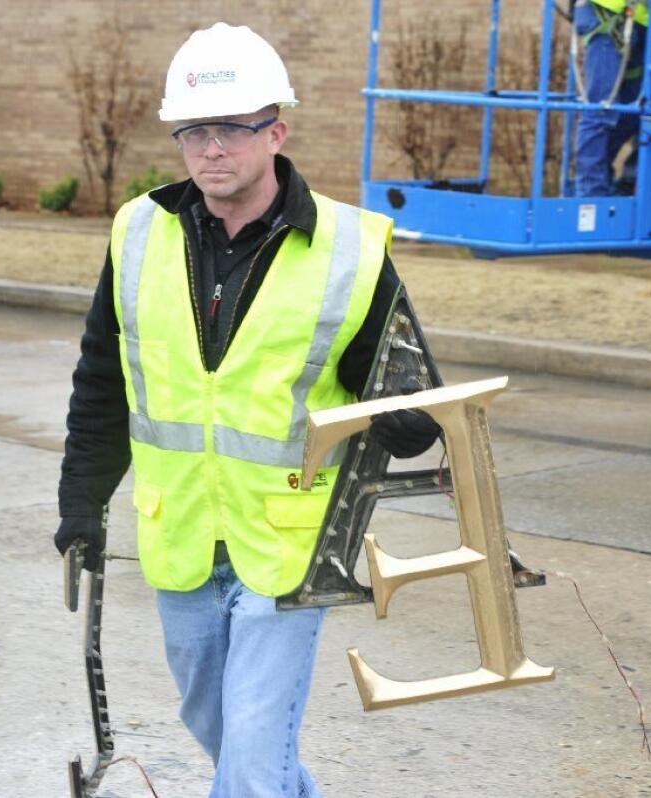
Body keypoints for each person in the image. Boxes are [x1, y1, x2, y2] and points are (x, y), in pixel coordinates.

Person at [54, 22, 440, 797]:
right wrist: (81, 504)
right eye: (193, 131)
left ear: (277, 130)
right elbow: (104, 380)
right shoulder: (138, 235)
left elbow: (412, 393)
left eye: (230, 128)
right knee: (220, 731)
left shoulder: (347, 250)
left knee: (253, 759)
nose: (210, 150)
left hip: (287, 545)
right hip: (181, 534)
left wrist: (406, 417)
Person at [574, 0, 648, 197]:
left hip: (643, 20)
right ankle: (591, 196)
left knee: (641, 115)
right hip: (608, 12)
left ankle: (619, 184)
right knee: (601, 110)